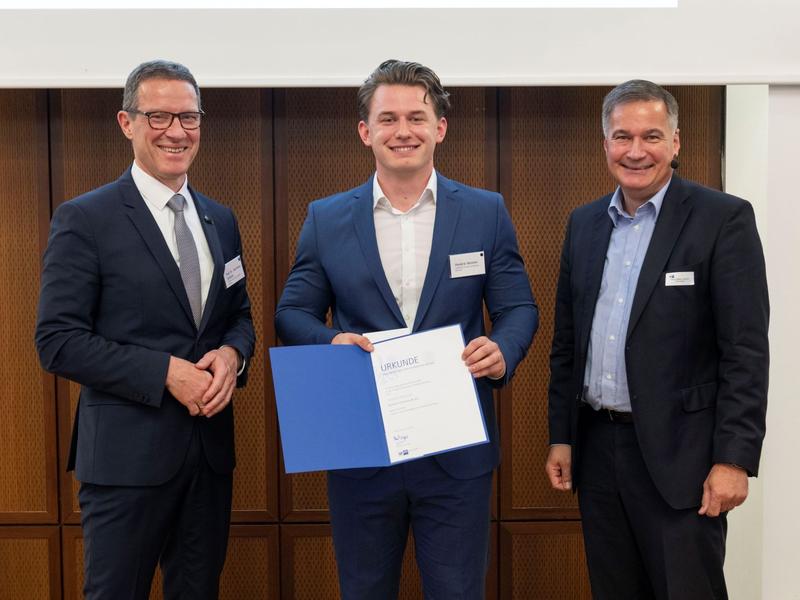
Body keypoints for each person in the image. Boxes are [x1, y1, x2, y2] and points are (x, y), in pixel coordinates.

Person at [275, 59, 538, 599]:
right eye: (388, 119)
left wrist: (503, 349)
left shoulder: (485, 212)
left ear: (440, 127)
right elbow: (291, 314)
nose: (403, 131)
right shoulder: (326, 218)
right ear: (365, 132)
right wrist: (331, 342)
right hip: (361, 447)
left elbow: (519, 309)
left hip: (457, 451)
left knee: (458, 591)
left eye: (417, 117)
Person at [35, 59, 255, 600]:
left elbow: (240, 317)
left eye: (189, 117)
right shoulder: (86, 218)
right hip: (124, 463)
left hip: (208, 456)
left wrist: (232, 356)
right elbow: (56, 340)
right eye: (158, 116)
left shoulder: (219, 219)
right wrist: (164, 373)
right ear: (126, 122)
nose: (176, 131)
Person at [545, 79, 769, 599]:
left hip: (684, 460)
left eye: (651, 135)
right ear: (605, 144)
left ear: (675, 142)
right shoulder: (583, 225)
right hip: (598, 451)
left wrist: (734, 458)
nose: (636, 150)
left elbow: (746, 350)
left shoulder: (722, 219)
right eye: (622, 137)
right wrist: (562, 434)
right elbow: (568, 343)